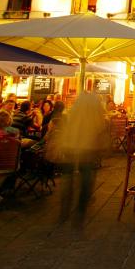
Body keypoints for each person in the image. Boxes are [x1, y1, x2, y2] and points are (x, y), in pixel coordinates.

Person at [49, 93, 110, 229]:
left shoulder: (71, 113)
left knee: (67, 179)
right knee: (86, 182)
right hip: (88, 152)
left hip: (69, 150)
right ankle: (79, 213)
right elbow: (101, 133)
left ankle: (64, 211)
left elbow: (63, 131)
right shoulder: (96, 115)